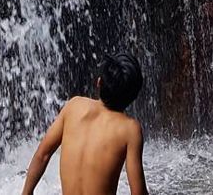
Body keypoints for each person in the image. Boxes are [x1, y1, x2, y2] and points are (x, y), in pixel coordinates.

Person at [19, 53, 148, 195]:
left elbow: (42, 155)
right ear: (134, 96)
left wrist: (26, 193)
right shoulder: (130, 129)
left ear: (99, 82)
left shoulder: (74, 106)